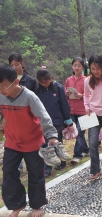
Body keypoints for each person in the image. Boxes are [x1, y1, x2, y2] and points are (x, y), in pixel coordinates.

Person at [0, 63, 60, 217]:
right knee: (8, 171)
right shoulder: (1, 96)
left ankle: (36, 205)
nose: (1, 90)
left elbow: (44, 117)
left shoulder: (29, 97)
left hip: (33, 143)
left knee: (35, 174)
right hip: (12, 142)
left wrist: (52, 136)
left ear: (17, 82)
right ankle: (17, 204)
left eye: (4, 86)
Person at [35, 67, 73, 177]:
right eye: (43, 82)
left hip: (57, 120)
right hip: (44, 122)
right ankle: (47, 168)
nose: (45, 84)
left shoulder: (58, 88)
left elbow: (64, 105)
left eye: (47, 81)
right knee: (46, 145)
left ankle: (61, 161)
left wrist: (68, 120)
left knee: (57, 142)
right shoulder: (37, 90)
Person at [8, 53, 37, 172]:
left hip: (28, 115)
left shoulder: (30, 81)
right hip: (13, 115)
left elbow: (36, 100)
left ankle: (31, 163)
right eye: (12, 65)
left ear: (22, 64)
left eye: (17, 64)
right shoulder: (8, 80)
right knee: (14, 137)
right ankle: (18, 164)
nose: (15, 67)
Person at [65, 57, 90, 165]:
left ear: (83, 67)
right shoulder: (68, 80)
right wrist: (66, 95)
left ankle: (77, 155)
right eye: (75, 65)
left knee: (79, 132)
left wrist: (81, 96)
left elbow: (90, 95)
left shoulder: (86, 80)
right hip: (72, 110)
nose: (77, 67)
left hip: (83, 110)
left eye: (79, 65)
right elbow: (64, 95)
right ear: (72, 66)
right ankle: (86, 150)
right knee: (78, 133)